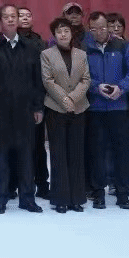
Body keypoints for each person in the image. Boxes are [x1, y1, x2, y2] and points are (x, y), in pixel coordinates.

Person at [0, 4, 44, 214]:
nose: (10, 19)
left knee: (26, 155)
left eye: (13, 16)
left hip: (25, 109)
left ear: (18, 20)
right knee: (0, 155)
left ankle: (27, 198)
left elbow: (37, 80)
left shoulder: (31, 47)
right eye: (6, 16)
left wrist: (38, 107)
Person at [84, 11, 129, 209]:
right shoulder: (84, 48)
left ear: (108, 26)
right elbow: (82, 75)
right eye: (93, 29)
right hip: (95, 108)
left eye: (102, 28)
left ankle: (122, 193)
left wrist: (121, 88)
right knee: (96, 152)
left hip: (119, 107)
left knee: (122, 152)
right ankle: (98, 193)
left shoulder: (122, 45)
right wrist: (96, 87)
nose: (98, 32)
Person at [41, 18, 90, 213]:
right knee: (58, 154)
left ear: (72, 34)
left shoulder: (81, 54)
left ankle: (77, 198)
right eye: (59, 31)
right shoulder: (46, 54)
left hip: (79, 108)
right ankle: (60, 199)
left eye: (66, 31)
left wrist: (73, 98)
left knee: (76, 153)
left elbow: (86, 79)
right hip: (56, 109)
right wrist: (64, 99)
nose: (63, 34)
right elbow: (48, 80)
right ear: (54, 35)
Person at [16, 5, 50, 198]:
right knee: (15, 146)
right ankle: (15, 184)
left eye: (28, 15)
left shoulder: (40, 42)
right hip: (13, 102)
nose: (25, 18)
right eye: (21, 15)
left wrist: (39, 102)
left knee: (38, 146)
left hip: (35, 100)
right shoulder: (7, 41)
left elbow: (43, 74)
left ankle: (42, 184)